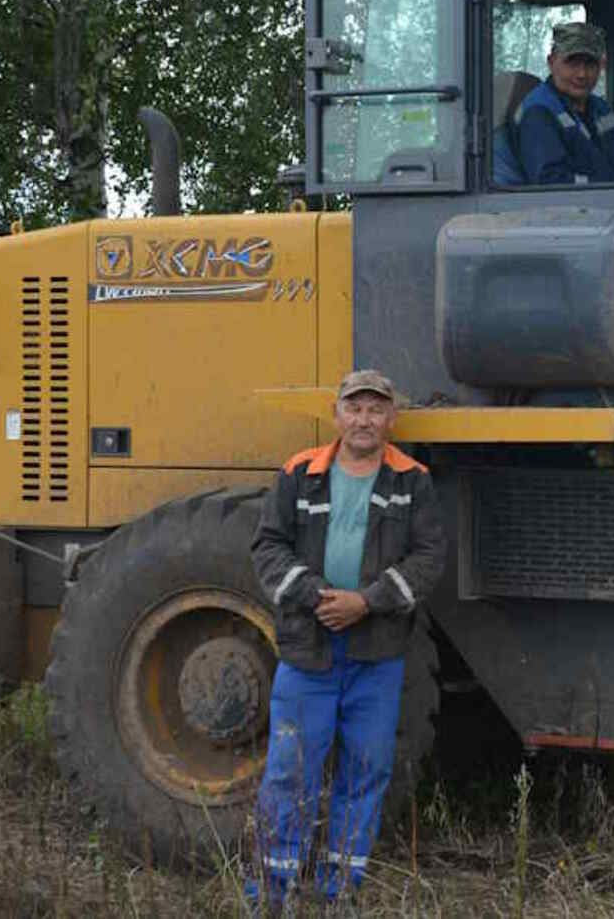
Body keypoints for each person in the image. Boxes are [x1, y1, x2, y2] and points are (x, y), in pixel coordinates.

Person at [247, 369, 446, 907]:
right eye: (354, 408)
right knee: (290, 770)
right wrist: (317, 596)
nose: (364, 419)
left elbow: (429, 558)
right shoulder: (300, 473)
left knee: (366, 769)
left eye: (375, 409)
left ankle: (339, 892)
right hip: (309, 649)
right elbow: (268, 547)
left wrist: (367, 602)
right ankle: (271, 893)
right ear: (336, 415)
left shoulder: (413, 481)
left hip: (376, 653)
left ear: (391, 419)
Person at [514, 21, 614, 185]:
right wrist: (599, 184)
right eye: (572, 63)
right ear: (551, 62)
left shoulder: (603, 110)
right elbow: (549, 182)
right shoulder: (539, 112)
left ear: (601, 66)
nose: (582, 74)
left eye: (590, 64)